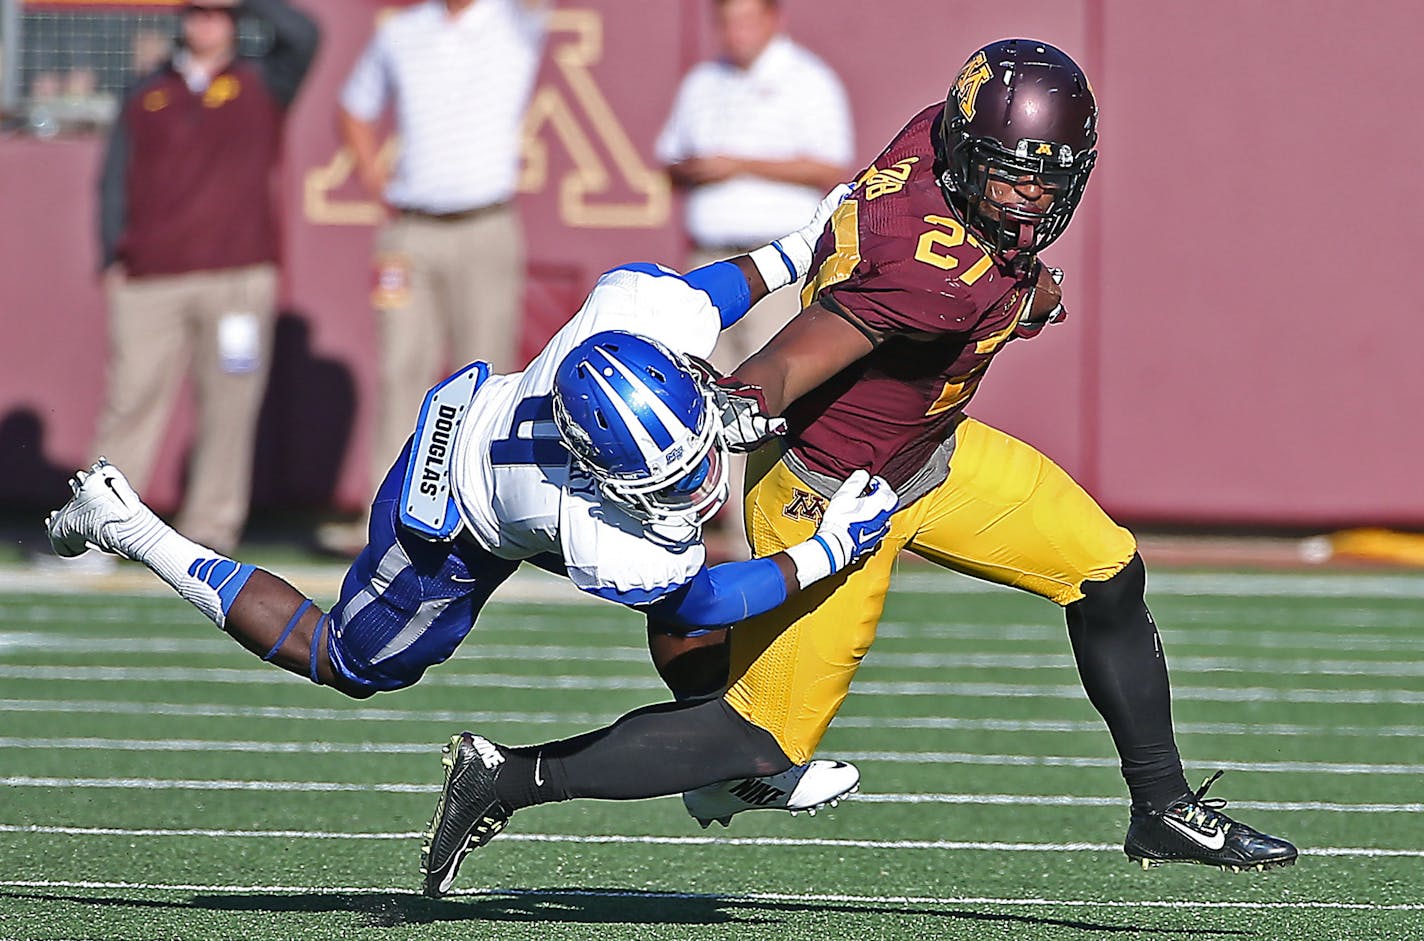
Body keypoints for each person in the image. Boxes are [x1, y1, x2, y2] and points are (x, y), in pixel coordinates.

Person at [414, 39, 1298, 898]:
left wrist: (1020, 292)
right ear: (965, 150)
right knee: (756, 739)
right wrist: (741, 393)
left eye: (1051, 176)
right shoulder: (935, 273)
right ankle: (507, 776)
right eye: (1016, 173)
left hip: (930, 454)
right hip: (831, 493)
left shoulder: (930, 138)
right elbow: (802, 353)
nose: (1033, 197)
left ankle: (1162, 806)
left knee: (1107, 567)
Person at [46, 190, 896, 896]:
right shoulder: (604, 535)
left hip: (520, 438)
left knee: (685, 591)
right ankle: (127, 523)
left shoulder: (637, 310)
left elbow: (714, 288)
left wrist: (804, 241)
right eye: (667, 483)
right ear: (607, 480)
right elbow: (702, 596)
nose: (697, 484)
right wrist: (829, 548)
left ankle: (720, 759)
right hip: (456, 502)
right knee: (351, 662)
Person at [91, 0, 318, 555]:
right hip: (153, 278)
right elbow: (114, 178)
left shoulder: (261, 80)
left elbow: (305, 35)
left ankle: (209, 533)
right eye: (197, 11)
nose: (207, 22)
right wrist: (109, 256)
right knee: (130, 399)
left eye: (219, 12)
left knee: (229, 406)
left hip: (236, 279)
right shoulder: (147, 92)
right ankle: (101, 529)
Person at [655, 0, 852, 557]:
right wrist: (700, 167)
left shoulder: (808, 80)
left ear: (773, 20)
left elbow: (828, 165)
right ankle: (691, 525)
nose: (737, 32)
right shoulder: (702, 83)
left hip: (779, 260)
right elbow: (671, 157)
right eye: (729, 20)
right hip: (712, 258)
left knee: (774, 395)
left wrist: (738, 163)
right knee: (697, 391)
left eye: (748, 19)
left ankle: (776, 529)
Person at [337, 0, 548, 512]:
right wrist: (373, 175)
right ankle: (388, 510)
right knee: (401, 368)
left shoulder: (513, 21)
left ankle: (485, 511)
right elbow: (354, 106)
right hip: (411, 228)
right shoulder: (403, 32)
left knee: (488, 373)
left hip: (485, 221)